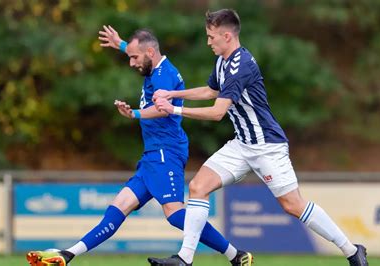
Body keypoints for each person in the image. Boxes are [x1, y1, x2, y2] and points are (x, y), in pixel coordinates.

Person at [148, 9, 369, 266]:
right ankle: (185, 259)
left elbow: (218, 112)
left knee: (293, 205)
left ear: (227, 36)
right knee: (198, 187)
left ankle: (352, 251)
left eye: (211, 37)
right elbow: (211, 91)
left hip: (267, 146)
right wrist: (174, 94)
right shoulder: (222, 60)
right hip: (242, 144)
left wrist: (173, 109)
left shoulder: (240, 66)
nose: (208, 42)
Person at [26, 26, 252, 266]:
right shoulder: (154, 65)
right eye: (130, 56)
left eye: (134, 57)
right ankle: (67, 254)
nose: (131, 62)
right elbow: (141, 52)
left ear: (151, 52)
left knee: (175, 214)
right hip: (152, 155)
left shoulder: (163, 75)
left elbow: (161, 109)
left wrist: (134, 114)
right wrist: (121, 44)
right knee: (118, 207)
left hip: (166, 152)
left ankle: (236, 255)